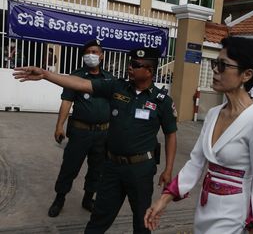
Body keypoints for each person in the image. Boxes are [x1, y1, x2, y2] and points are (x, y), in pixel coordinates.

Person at [13, 47, 178, 234]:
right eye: (129, 63)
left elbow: (170, 134)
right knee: (98, 220)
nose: (129, 68)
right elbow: (81, 84)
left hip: (140, 170)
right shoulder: (117, 87)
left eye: (135, 65)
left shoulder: (162, 101)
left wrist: (168, 169)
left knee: (142, 222)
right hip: (112, 167)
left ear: (149, 71)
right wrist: (45, 74)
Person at [144, 37, 253, 234]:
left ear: (246, 75)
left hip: (233, 215)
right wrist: (163, 200)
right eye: (215, 63)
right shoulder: (214, 114)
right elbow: (196, 163)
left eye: (222, 65)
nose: (215, 70)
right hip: (204, 209)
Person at [48, 40, 113, 218]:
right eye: (87, 52)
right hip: (80, 132)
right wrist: (59, 125)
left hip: (103, 133)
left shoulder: (109, 79)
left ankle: (88, 198)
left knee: (97, 169)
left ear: (102, 55)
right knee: (70, 167)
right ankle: (59, 199)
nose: (91, 55)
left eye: (95, 51)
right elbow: (66, 101)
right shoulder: (76, 76)